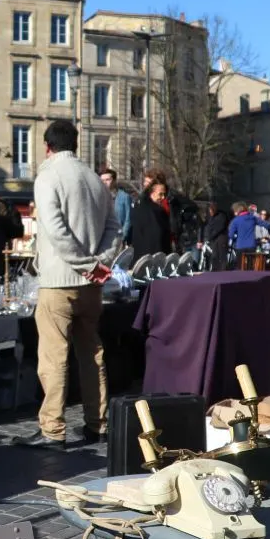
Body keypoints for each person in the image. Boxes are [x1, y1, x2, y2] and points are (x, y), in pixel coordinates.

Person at [29, 119, 118, 446]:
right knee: (91, 354)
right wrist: (99, 264)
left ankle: (53, 428)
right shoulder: (95, 179)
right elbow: (114, 228)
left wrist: (87, 264)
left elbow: (55, 230)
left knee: (54, 357)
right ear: (75, 144)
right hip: (90, 283)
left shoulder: (48, 176)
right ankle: (98, 422)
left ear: (47, 146)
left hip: (59, 281)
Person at [129, 177, 175, 257]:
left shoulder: (140, 206)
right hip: (153, 256)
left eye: (164, 194)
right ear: (151, 193)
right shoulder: (154, 211)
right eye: (160, 194)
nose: (163, 197)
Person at [100, 168, 133, 240]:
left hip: (119, 237)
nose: (104, 182)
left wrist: (123, 236)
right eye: (102, 180)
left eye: (108, 180)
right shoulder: (99, 197)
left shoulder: (124, 197)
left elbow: (128, 219)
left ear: (114, 181)